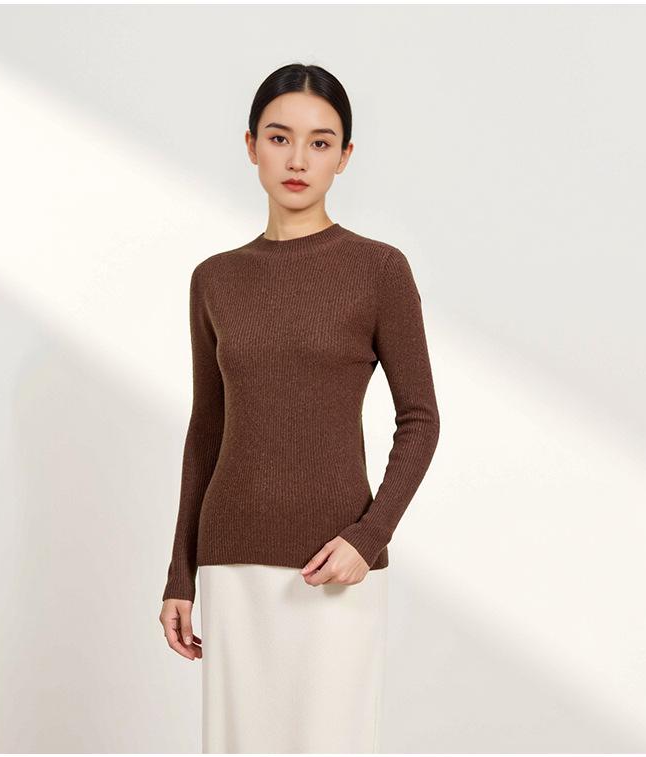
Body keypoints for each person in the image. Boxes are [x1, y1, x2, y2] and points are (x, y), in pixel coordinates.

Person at [158, 62, 440, 754]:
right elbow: (207, 430)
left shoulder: (379, 270)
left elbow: (421, 419)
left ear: (344, 156)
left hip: (336, 561)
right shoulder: (215, 279)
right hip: (232, 561)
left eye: (320, 143)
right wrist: (179, 574)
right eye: (280, 138)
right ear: (251, 145)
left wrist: (368, 536)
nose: (297, 159)